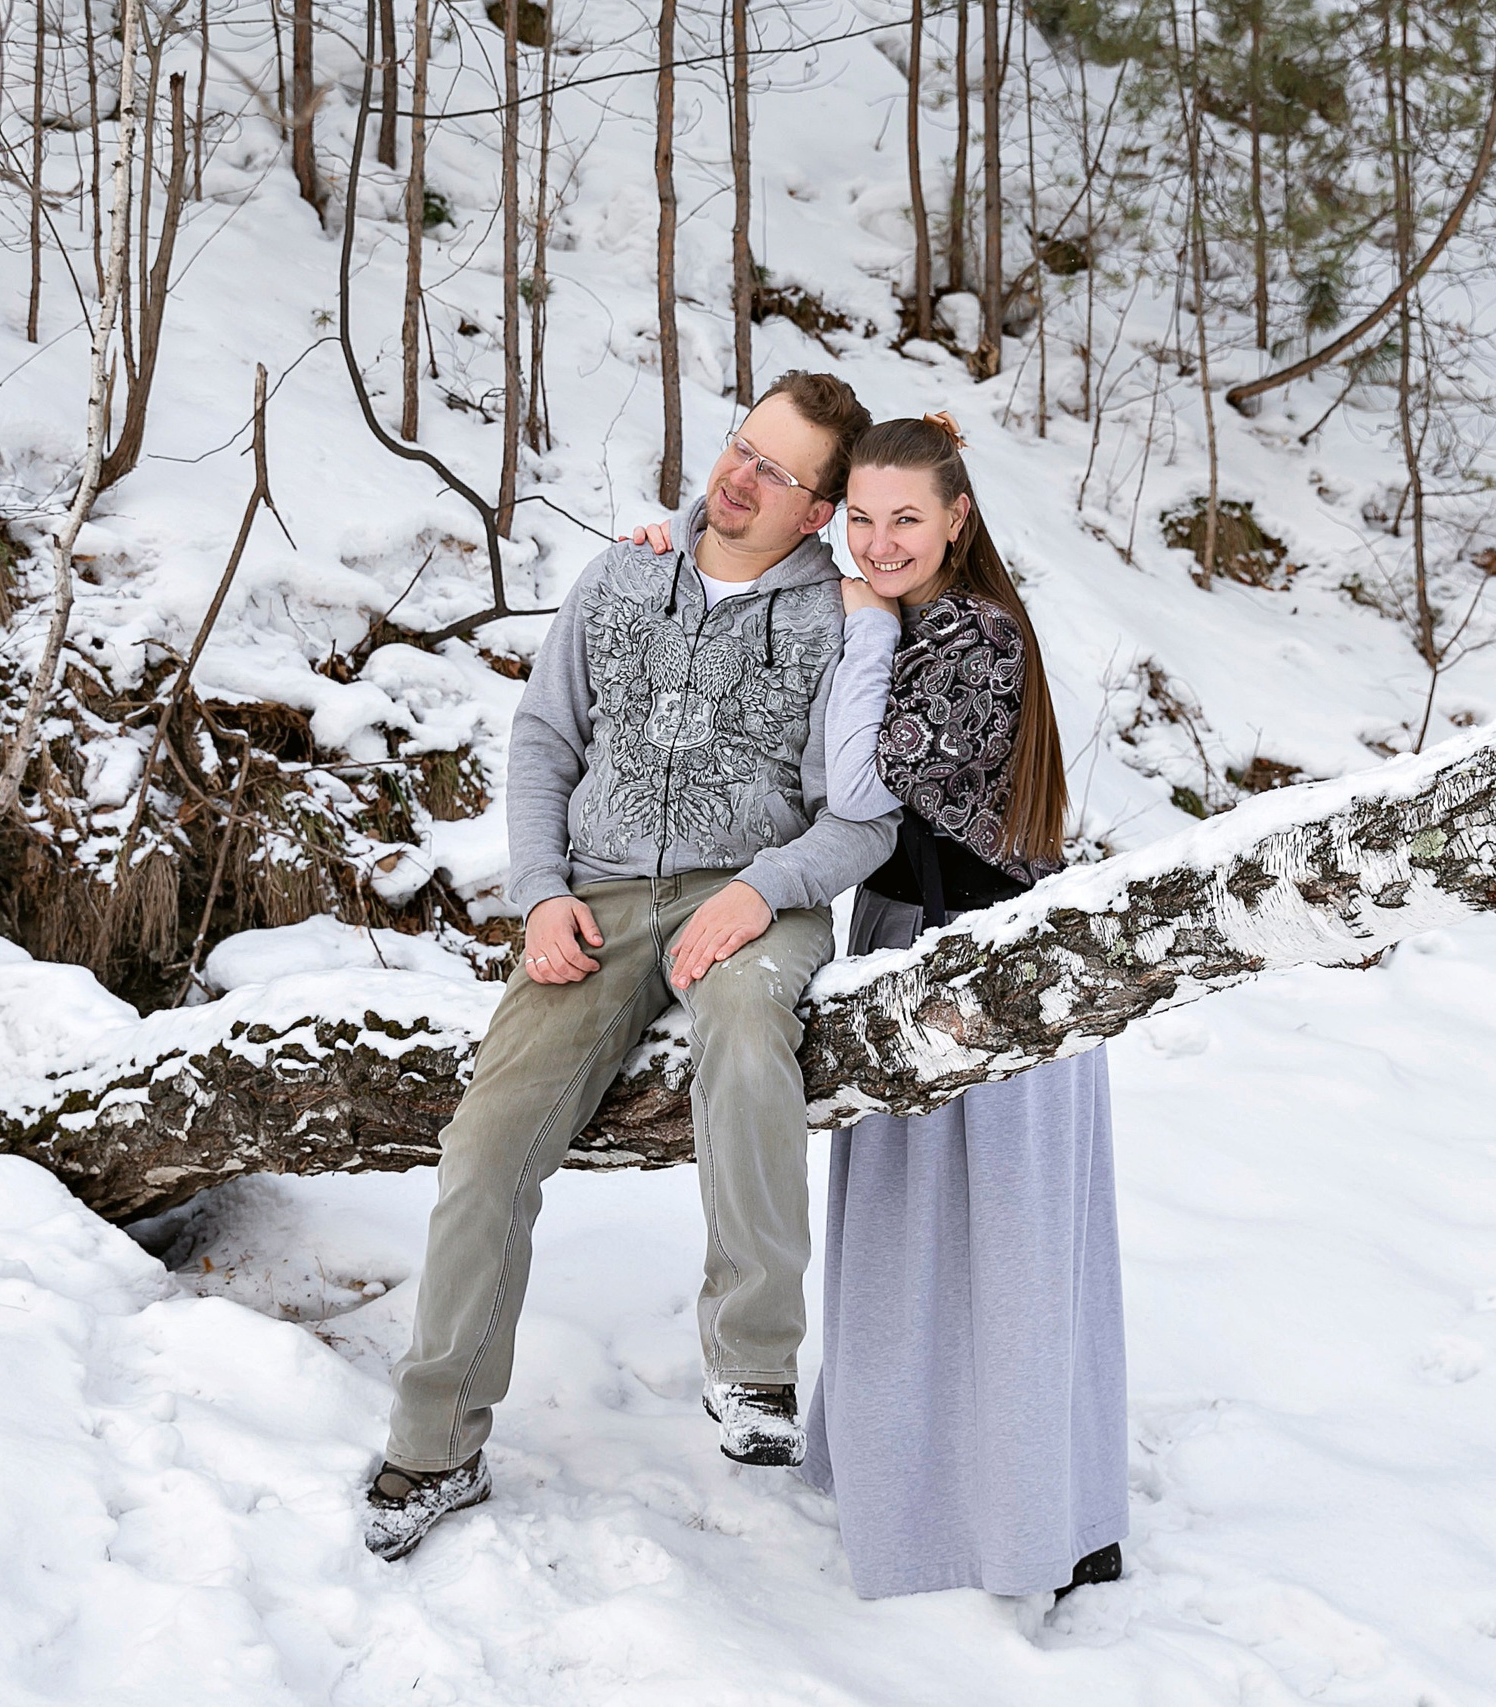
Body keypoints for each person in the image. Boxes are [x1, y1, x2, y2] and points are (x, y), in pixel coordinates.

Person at [363, 372, 898, 1562]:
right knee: (487, 1142)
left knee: (750, 1031)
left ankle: (753, 1368)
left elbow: (861, 821)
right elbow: (543, 741)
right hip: (596, 894)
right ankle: (436, 1439)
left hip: (755, 893)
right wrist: (541, 896)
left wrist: (763, 891)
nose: (738, 477)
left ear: (819, 510)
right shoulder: (619, 577)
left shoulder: (845, 621)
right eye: (740, 445)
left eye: (777, 471)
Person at [803, 412, 1129, 1612]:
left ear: (957, 518)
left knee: (1003, 1245)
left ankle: (1029, 1518)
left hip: (986, 966)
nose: (879, 541)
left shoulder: (975, 635)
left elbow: (864, 780)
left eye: (905, 517)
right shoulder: (911, 615)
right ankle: (919, 1482)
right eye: (861, 516)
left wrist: (868, 625)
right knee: (915, 1238)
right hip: (907, 941)